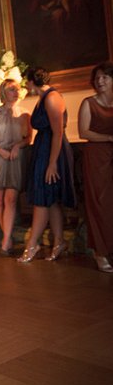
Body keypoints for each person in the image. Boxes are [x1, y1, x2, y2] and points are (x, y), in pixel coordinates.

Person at [17, 67, 76, 263]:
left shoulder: (52, 98)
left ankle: (32, 244)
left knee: (42, 197)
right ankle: (59, 242)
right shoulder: (42, 98)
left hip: (52, 151)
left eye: (26, 81)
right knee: (49, 199)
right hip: (42, 149)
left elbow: (58, 132)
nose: (25, 85)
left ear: (33, 81)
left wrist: (52, 164)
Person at [0, 79, 31, 255]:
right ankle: (7, 237)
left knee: (10, 199)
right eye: (11, 89)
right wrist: (0, 151)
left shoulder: (25, 114)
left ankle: (5, 241)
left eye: (17, 89)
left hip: (14, 158)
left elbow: (28, 138)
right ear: (3, 92)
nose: (15, 92)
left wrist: (18, 146)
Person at [77, 62, 113, 272]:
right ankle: (100, 252)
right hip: (97, 157)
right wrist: (108, 137)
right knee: (99, 203)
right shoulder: (88, 103)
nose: (100, 81)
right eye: (97, 78)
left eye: (105, 77)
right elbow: (84, 132)